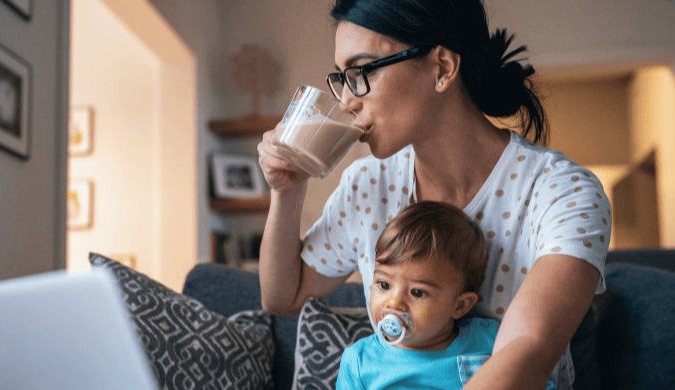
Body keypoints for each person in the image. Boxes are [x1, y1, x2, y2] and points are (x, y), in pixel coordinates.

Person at [256, 0, 612, 389]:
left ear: (442, 68)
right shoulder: (367, 186)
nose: (346, 102)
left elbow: (525, 354)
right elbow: (282, 297)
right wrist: (286, 191)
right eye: (342, 78)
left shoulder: (563, 193)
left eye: (360, 72)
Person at [336, 201, 543, 389]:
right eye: (383, 284)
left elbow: (535, 381)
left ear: (460, 306)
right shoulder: (360, 363)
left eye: (417, 292)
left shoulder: (492, 341)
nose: (394, 302)